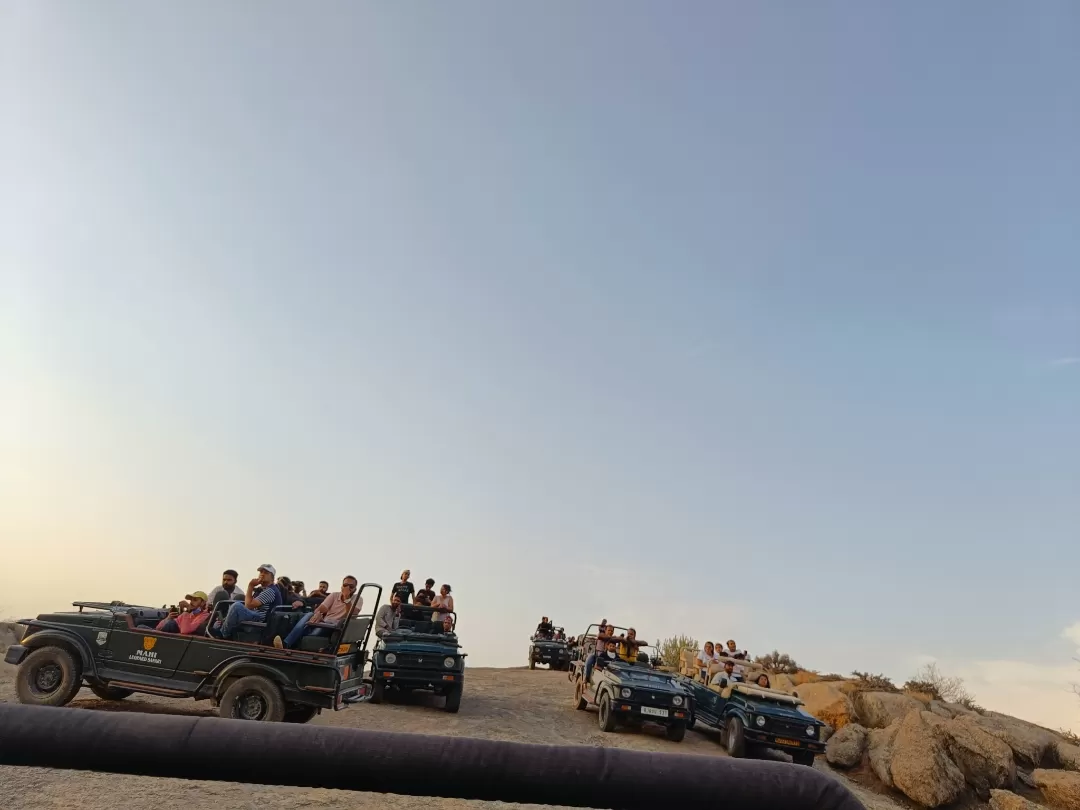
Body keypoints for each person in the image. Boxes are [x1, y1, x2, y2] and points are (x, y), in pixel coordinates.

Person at [274, 576, 363, 649]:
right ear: (342, 586)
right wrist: (318, 614)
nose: (348, 588)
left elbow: (353, 613)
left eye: (351, 587)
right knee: (309, 614)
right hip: (324, 621)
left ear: (355, 589)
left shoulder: (358, 598)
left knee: (314, 632)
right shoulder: (334, 595)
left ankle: (290, 644)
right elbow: (320, 609)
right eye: (345, 585)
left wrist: (347, 598)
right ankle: (286, 643)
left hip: (335, 626)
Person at [211, 564, 282, 639]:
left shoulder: (270, 590)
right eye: (261, 572)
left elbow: (249, 605)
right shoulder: (262, 589)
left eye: (266, 573)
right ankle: (223, 627)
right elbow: (249, 605)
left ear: (272, 577)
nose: (262, 574)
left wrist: (250, 586)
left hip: (260, 620)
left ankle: (223, 634)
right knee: (237, 604)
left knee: (237, 606)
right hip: (256, 615)